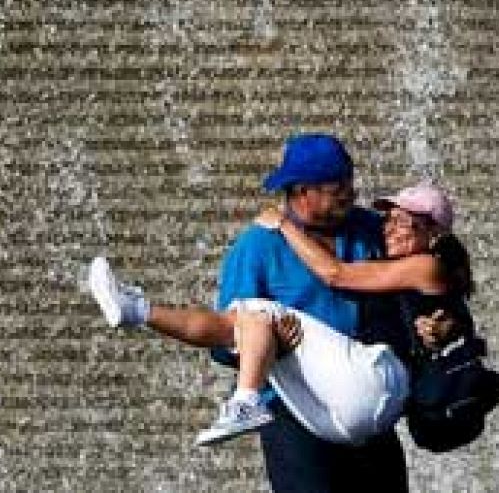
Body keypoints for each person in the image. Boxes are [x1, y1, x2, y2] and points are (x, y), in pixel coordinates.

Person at [88, 133, 455, 493]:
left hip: (366, 395)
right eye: (335, 185)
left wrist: (441, 324)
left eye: (349, 180)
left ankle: (138, 308)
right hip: (293, 414)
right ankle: (139, 310)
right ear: (301, 191)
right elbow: (225, 341)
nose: (348, 191)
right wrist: (271, 348)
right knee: (251, 317)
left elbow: (431, 279)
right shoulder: (258, 246)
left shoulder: (372, 230)